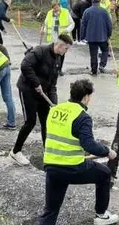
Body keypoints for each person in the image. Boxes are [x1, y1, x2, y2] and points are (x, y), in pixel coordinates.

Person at [31, 79, 118, 225]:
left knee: (51, 209)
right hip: (72, 167)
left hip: (52, 167)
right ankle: (101, 214)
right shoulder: (83, 116)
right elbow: (88, 144)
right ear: (86, 97)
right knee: (104, 174)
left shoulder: (55, 110)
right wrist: (107, 151)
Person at [9, 34, 73, 167]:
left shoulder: (59, 58)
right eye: (66, 48)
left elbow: (53, 83)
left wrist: (54, 102)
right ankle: (15, 152)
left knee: (46, 122)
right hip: (27, 90)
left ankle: (48, 151)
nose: (66, 51)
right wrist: (36, 83)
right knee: (30, 121)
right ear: (59, 45)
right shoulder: (40, 51)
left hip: (44, 93)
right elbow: (25, 66)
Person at [80, 0, 112, 76]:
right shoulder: (104, 11)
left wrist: (82, 36)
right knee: (105, 50)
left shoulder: (87, 11)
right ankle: (102, 65)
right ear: (100, 1)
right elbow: (109, 24)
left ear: (92, 1)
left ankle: (94, 70)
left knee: (93, 53)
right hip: (103, 36)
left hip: (91, 37)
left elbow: (83, 24)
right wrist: (109, 34)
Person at [42, 0, 73, 76]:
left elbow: (72, 23)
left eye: (56, 8)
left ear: (59, 6)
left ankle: (59, 69)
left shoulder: (65, 12)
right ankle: (52, 69)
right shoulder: (50, 13)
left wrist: (67, 30)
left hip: (62, 38)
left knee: (61, 54)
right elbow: (46, 24)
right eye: (54, 8)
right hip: (52, 37)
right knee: (52, 53)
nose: (55, 10)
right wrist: (44, 30)